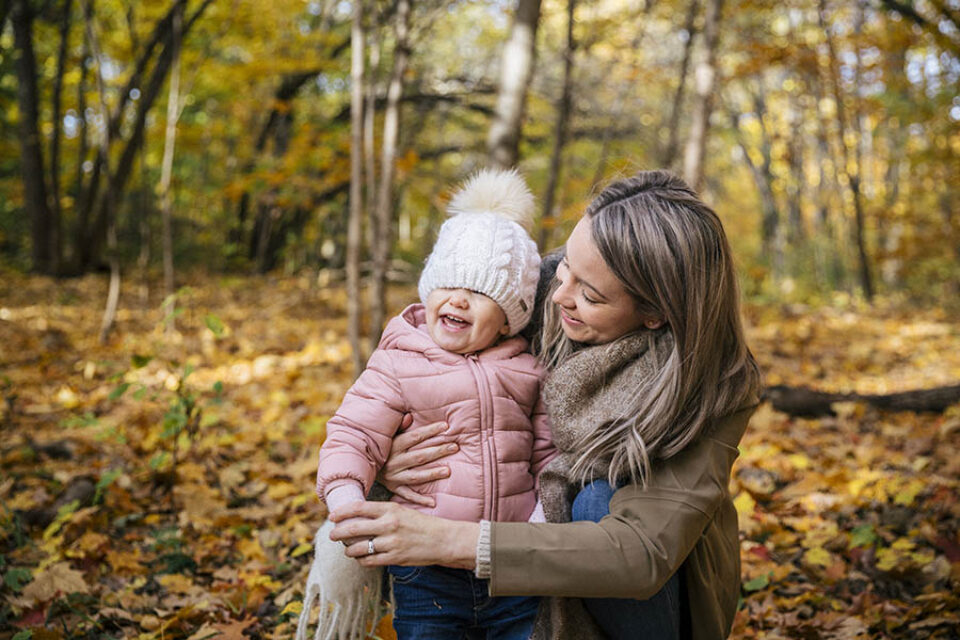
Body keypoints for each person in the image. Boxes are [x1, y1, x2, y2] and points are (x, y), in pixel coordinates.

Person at [328, 169, 762, 640]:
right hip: (501, 552)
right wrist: (390, 463)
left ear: (656, 314)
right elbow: (408, 377)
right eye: (564, 267)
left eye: (589, 295)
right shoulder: (518, 292)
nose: (558, 295)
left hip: (641, 588)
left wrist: (448, 539)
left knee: (597, 498)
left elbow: (638, 552)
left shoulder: (714, 382)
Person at [312, 168, 557, 640]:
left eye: (481, 291)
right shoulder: (399, 361)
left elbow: (548, 452)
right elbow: (354, 433)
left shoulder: (528, 369)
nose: (459, 300)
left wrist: (542, 519)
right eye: (449, 284)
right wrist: (346, 498)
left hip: (512, 564)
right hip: (424, 567)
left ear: (510, 320)